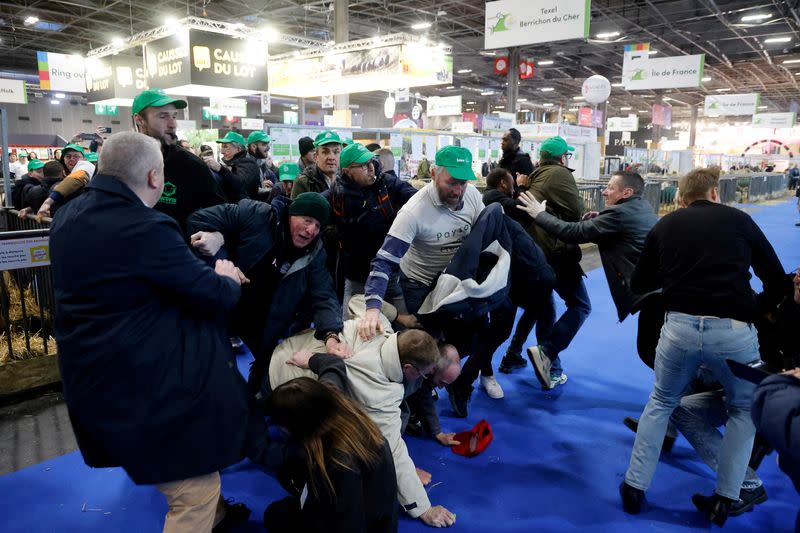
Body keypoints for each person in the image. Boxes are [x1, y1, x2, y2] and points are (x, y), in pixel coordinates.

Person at [50, 131, 255, 533]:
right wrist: (226, 277)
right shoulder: (145, 225)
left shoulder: (67, 216)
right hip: (142, 379)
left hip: (91, 373)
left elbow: (124, 278)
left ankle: (219, 517)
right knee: (194, 489)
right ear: (154, 177)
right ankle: (206, 515)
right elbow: (212, 296)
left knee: (189, 472)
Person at [620, 167, 787, 525]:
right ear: (715, 193)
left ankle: (634, 486)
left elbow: (640, 281)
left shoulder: (665, 226)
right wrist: (757, 309)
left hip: (678, 327)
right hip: (733, 331)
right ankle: (726, 497)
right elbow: (774, 276)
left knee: (661, 402)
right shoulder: (740, 221)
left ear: (681, 198)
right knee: (743, 411)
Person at [269, 320, 457, 528]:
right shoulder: (378, 396)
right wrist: (424, 508)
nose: (427, 380)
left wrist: (375, 310)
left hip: (297, 346)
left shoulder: (376, 327)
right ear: (408, 368)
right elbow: (394, 450)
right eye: (424, 375)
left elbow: (356, 302)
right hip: (286, 382)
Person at [186, 192, 349, 399]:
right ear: (291, 214)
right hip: (224, 302)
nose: (311, 230)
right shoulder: (255, 213)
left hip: (267, 320)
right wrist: (223, 254)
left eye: (317, 226)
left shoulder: (315, 253)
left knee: (261, 374)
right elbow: (197, 220)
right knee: (212, 367)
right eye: (307, 221)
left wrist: (331, 333)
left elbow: (324, 294)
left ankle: (251, 402)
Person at [263, 377, 398, 533]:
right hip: (381, 521)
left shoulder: (337, 465)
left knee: (275, 516)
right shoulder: (356, 422)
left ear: (298, 425)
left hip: (352, 522)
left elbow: (349, 523)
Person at [515, 136, 590, 390]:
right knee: (580, 305)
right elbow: (577, 210)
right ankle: (547, 353)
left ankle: (550, 368)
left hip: (534, 253)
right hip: (556, 252)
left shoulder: (536, 176)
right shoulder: (559, 174)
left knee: (546, 310)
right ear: (561, 157)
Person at [323, 143, 417, 319]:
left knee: (405, 332)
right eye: (363, 165)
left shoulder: (387, 184)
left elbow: (418, 199)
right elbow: (312, 211)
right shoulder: (336, 195)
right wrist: (335, 233)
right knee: (353, 331)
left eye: (371, 162)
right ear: (347, 171)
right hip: (357, 277)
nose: (371, 168)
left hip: (391, 274)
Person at [205, 131, 262, 201]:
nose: (222, 151)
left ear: (238, 149)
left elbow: (240, 185)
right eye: (222, 147)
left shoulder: (249, 163)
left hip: (243, 209)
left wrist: (221, 169)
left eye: (226, 147)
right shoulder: (230, 163)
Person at [292, 131, 343, 198]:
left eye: (336, 152)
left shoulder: (345, 180)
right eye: (325, 152)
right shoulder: (304, 182)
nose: (331, 157)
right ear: (316, 156)